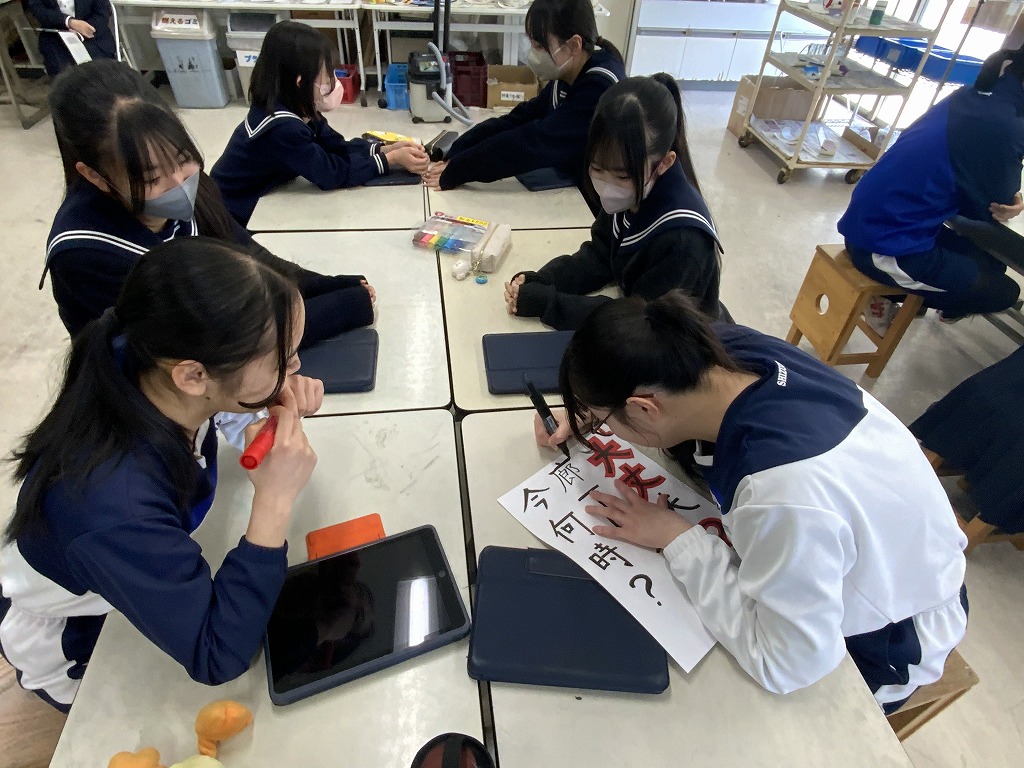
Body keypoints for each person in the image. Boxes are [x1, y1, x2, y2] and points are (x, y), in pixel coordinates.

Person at [537, 291, 968, 711]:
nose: (604, 430)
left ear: (644, 407)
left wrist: (677, 538)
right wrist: (587, 410)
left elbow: (786, 663)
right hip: (881, 544)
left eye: (607, 419)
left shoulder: (780, 492)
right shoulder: (710, 347)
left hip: (888, 638)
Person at [0, 237, 321, 712]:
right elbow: (216, 655)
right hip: (80, 637)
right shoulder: (114, 503)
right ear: (193, 376)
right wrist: (274, 501)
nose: (295, 368)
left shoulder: (146, 362)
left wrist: (263, 402)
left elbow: (221, 409)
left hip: (126, 570)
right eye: (281, 359)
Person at [41, 59, 375, 348]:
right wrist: (341, 308)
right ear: (95, 176)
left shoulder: (188, 183)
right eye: (152, 178)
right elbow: (205, 349)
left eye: (182, 157)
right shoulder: (87, 257)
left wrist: (323, 284)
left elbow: (244, 253)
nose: (179, 183)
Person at [504, 74, 723, 330]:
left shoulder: (683, 240)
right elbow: (600, 255)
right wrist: (545, 280)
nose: (607, 186)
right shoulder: (635, 190)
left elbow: (638, 321)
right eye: (597, 168)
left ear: (664, 163)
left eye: (622, 175)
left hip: (676, 339)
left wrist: (550, 304)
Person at [838, 45, 1024, 322]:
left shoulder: (975, 96)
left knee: (992, 262)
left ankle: (934, 295)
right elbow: (996, 205)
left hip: (878, 223)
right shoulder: (1004, 122)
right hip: (883, 247)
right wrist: (1015, 201)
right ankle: (894, 297)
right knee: (1004, 292)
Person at [211, 21, 429, 227]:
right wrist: (390, 160)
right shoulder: (282, 128)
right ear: (300, 82)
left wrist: (384, 148)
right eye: (327, 75)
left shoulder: (298, 108)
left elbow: (336, 146)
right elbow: (330, 174)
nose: (332, 82)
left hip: (260, 195)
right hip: (231, 214)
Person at [421, 0, 626, 205]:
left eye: (540, 46)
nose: (533, 53)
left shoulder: (599, 88)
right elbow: (521, 118)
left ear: (573, 45)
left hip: (597, 204)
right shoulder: (570, 71)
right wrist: (458, 151)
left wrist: (459, 170)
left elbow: (535, 142)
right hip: (573, 184)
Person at [24, 0, 115, 76]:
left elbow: (102, 13)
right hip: (56, 36)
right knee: (64, 75)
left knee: (99, 74)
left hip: (94, 36)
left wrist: (83, 30)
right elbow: (38, 11)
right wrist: (69, 22)